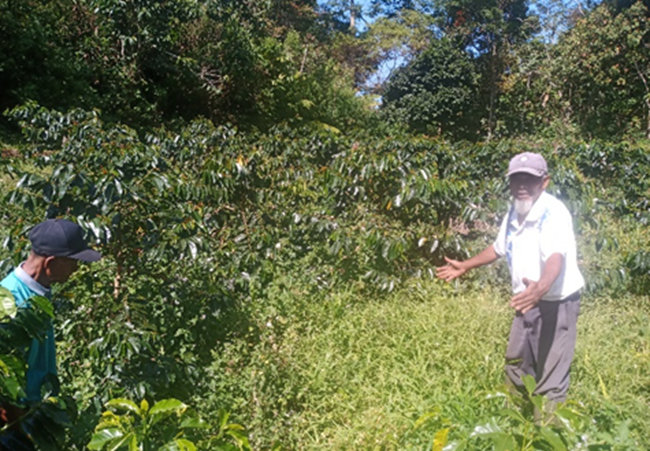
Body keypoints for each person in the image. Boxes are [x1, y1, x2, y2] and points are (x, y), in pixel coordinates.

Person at [436, 152, 584, 410]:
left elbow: (555, 258)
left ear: (545, 181)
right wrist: (465, 266)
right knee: (518, 363)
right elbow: (498, 248)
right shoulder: (516, 212)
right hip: (526, 300)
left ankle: (548, 437)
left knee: (551, 373)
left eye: (530, 179)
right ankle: (516, 424)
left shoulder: (553, 213)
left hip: (556, 303)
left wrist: (541, 287)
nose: (522, 186)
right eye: (516, 179)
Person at [0, 219, 101, 450]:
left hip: (33, 415)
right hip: (17, 425)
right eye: (73, 262)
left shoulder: (40, 289)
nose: (77, 268)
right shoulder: (11, 303)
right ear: (52, 262)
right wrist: (23, 431)